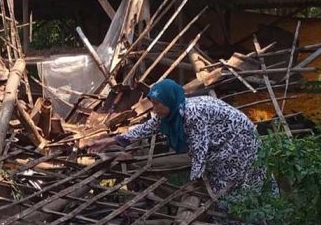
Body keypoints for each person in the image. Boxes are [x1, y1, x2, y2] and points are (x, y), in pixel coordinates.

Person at [88, 79, 271, 199]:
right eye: (153, 104)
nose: (155, 109)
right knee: (220, 183)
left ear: (169, 101)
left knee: (235, 185)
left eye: (158, 104)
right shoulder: (171, 112)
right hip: (222, 144)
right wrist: (111, 141)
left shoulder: (192, 114)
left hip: (239, 142)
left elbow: (200, 151)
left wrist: (193, 182)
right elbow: (145, 128)